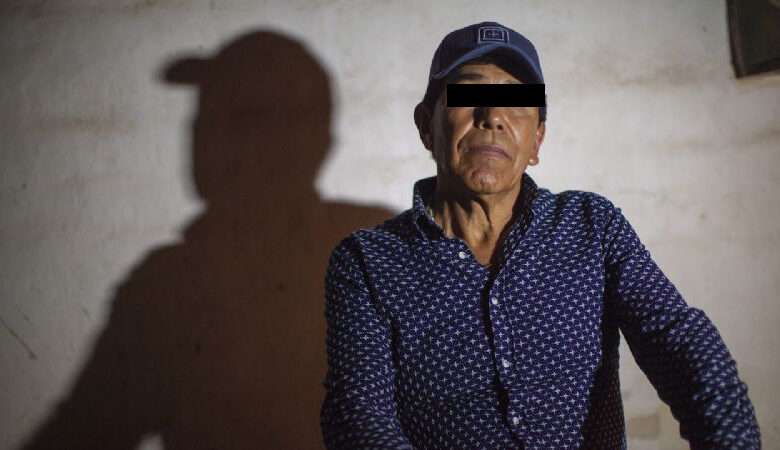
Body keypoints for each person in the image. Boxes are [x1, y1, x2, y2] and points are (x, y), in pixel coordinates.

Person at [320, 21, 761, 450]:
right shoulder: (367, 262)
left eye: (516, 103)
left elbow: (680, 344)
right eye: (467, 95)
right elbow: (359, 418)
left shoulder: (592, 226)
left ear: (536, 142)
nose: (492, 116)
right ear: (425, 126)